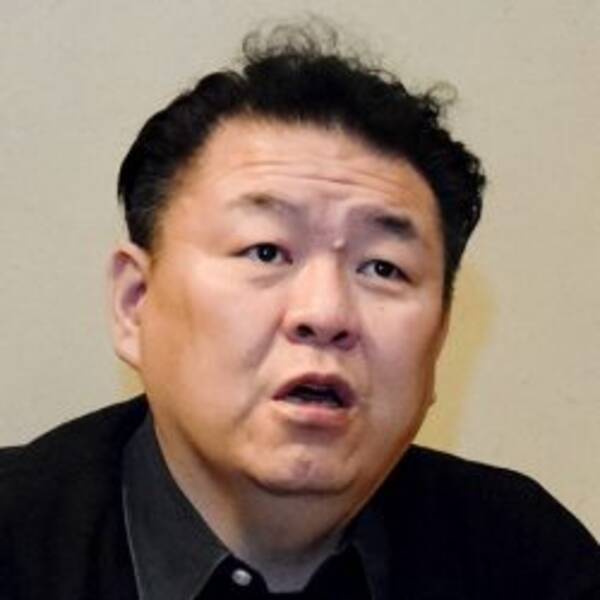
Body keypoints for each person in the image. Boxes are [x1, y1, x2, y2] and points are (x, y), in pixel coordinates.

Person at [1, 24, 598, 600]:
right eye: (266, 252)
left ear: (439, 337)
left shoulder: (529, 563)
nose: (326, 313)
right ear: (135, 303)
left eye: (382, 268)